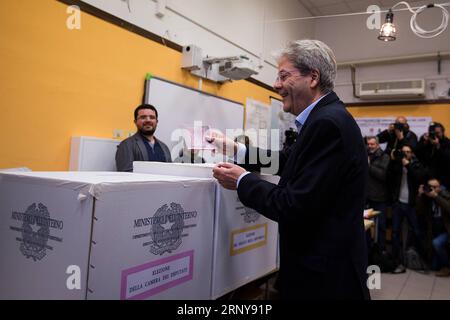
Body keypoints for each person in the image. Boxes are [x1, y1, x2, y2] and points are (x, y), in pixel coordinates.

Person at [209, 40, 370, 300]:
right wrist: (235, 150)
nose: (276, 84)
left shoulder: (327, 124)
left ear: (313, 77)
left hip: (324, 278)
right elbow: (289, 162)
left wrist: (242, 181)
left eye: (284, 76)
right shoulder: (326, 118)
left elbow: (293, 206)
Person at [389, 144, 426, 273]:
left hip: (411, 205)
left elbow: (419, 177)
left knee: (417, 231)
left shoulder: (415, 165)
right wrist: (393, 160)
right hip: (398, 203)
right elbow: (389, 177)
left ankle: (420, 260)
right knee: (395, 233)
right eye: (403, 152)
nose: (405, 154)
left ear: (412, 154)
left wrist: (407, 165)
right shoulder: (397, 165)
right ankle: (397, 260)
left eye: (408, 152)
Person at [115, 104, 171, 172]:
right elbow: (125, 174)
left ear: (156, 122)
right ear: (135, 122)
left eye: (152, 117)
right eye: (143, 117)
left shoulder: (164, 147)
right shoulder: (126, 145)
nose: (148, 120)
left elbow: (170, 171)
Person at [417, 178, 450, 277]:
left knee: (436, 243)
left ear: (439, 188)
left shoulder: (446, 195)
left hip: (447, 231)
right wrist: (419, 195)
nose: (432, 189)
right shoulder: (427, 199)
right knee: (434, 267)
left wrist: (436, 197)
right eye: (430, 187)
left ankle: (447, 266)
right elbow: (419, 211)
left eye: (435, 187)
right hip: (435, 231)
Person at [366, 136, 390, 252]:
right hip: (367, 197)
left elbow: (383, 175)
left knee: (381, 227)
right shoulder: (365, 155)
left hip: (380, 197)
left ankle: (381, 251)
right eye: (368, 144)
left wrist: (369, 166)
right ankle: (369, 252)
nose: (370, 146)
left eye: (372, 144)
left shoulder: (384, 157)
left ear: (378, 145)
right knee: (366, 227)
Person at [416, 122, 450, 189]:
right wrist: (423, 142)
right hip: (427, 177)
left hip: (443, 179)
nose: (435, 136)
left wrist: (438, 146)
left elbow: (447, 159)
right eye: (433, 133)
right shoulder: (427, 142)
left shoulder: (447, 143)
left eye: (437, 133)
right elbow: (417, 153)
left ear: (443, 132)